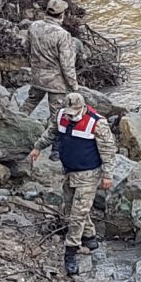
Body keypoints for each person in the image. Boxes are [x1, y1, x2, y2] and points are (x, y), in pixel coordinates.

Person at [50, 90, 117, 260]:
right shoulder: (60, 116)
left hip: (89, 174)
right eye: (69, 113)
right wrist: (37, 148)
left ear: (83, 107)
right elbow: (51, 133)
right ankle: (90, 238)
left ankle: (71, 252)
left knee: (77, 215)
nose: (71, 117)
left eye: (74, 114)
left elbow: (108, 151)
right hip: (69, 171)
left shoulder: (97, 123)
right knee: (72, 207)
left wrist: (107, 175)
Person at [24, 0, 80, 95]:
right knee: (57, 105)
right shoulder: (63, 34)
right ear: (62, 15)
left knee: (30, 102)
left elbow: (26, 48)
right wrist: (74, 85)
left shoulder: (34, 26)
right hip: (55, 84)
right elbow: (67, 64)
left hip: (36, 77)